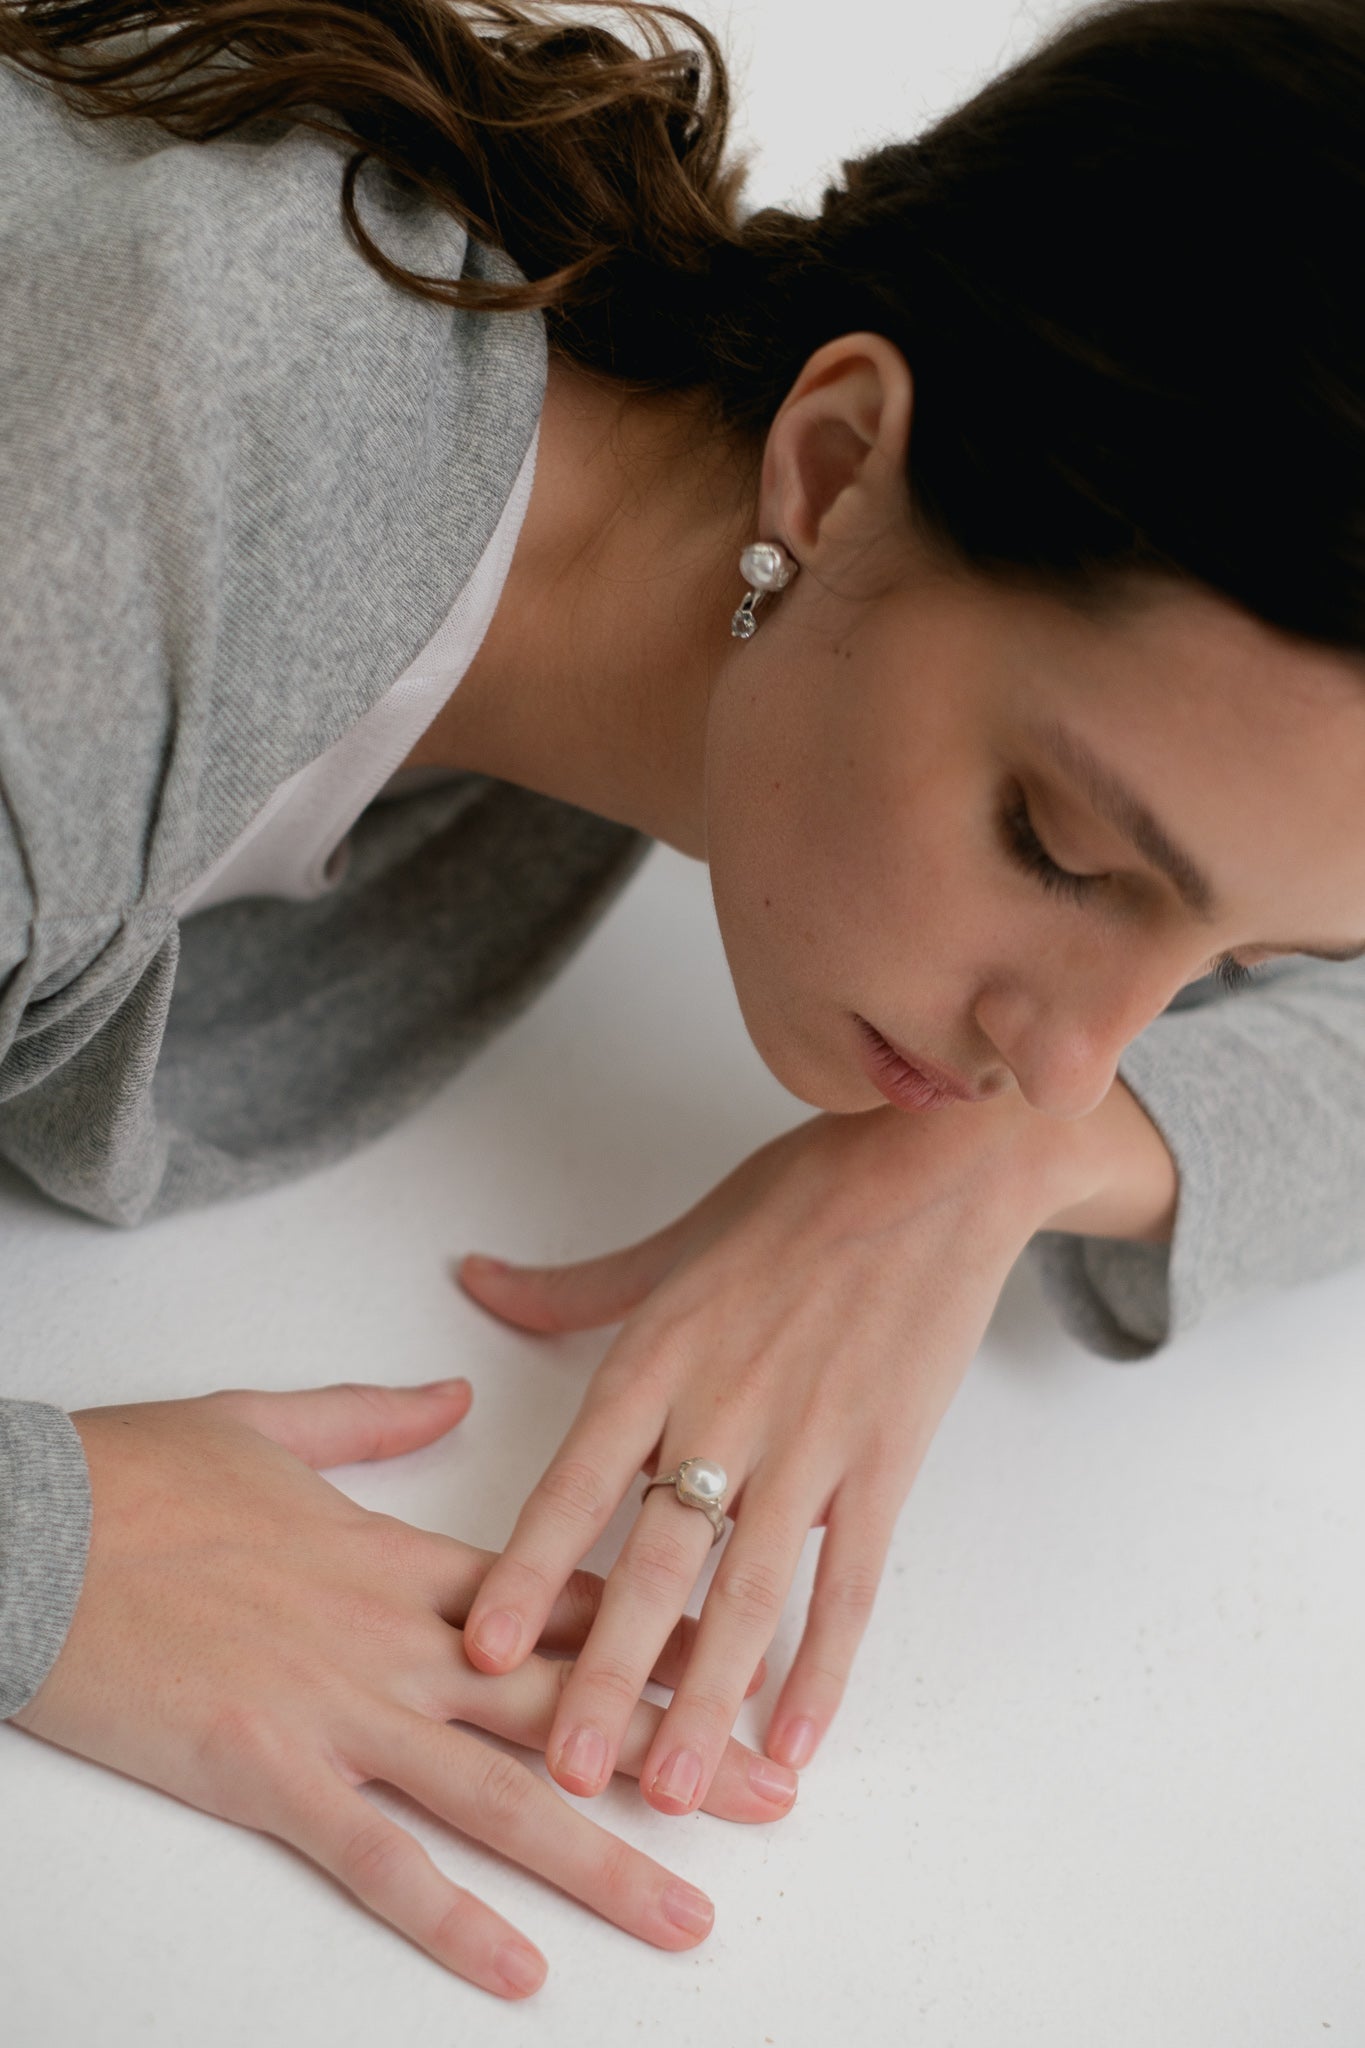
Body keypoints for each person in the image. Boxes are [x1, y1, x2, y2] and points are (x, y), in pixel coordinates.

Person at [4, 0, 1365, 2005]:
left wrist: (993, 1173)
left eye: (1229, 955)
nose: (1060, 1052)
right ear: (830, 471)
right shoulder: (135, 487)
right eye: (1057, 849)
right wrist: (61, 1543)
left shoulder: (622, 482)